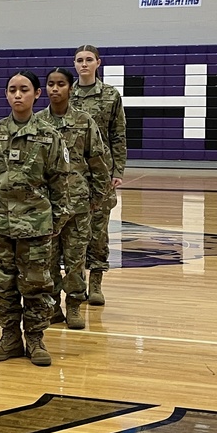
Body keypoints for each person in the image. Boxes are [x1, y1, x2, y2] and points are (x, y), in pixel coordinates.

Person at [0, 70, 70, 367]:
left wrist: (57, 220)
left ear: (37, 94)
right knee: (2, 284)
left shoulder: (49, 136)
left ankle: (36, 339)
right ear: (6, 94)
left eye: (24, 89)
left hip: (35, 223)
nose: (18, 95)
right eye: (12, 89)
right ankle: (10, 338)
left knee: (36, 285)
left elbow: (60, 182)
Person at [36, 68, 111, 330]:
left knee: (75, 259)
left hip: (78, 204)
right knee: (48, 259)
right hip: (47, 206)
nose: (55, 89)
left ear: (70, 88)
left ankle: (75, 305)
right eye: (51, 84)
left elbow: (98, 161)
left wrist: (97, 197)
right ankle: (53, 306)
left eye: (61, 84)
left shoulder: (84, 121)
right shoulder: (37, 122)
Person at [71, 44, 127, 306]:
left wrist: (118, 170)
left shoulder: (110, 95)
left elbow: (118, 134)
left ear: (98, 63)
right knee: (74, 232)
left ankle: (96, 282)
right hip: (71, 173)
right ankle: (76, 283)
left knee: (98, 231)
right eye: (79, 60)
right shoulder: (66, 94)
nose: (84, 64)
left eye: (88, 60)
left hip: (100, 173)